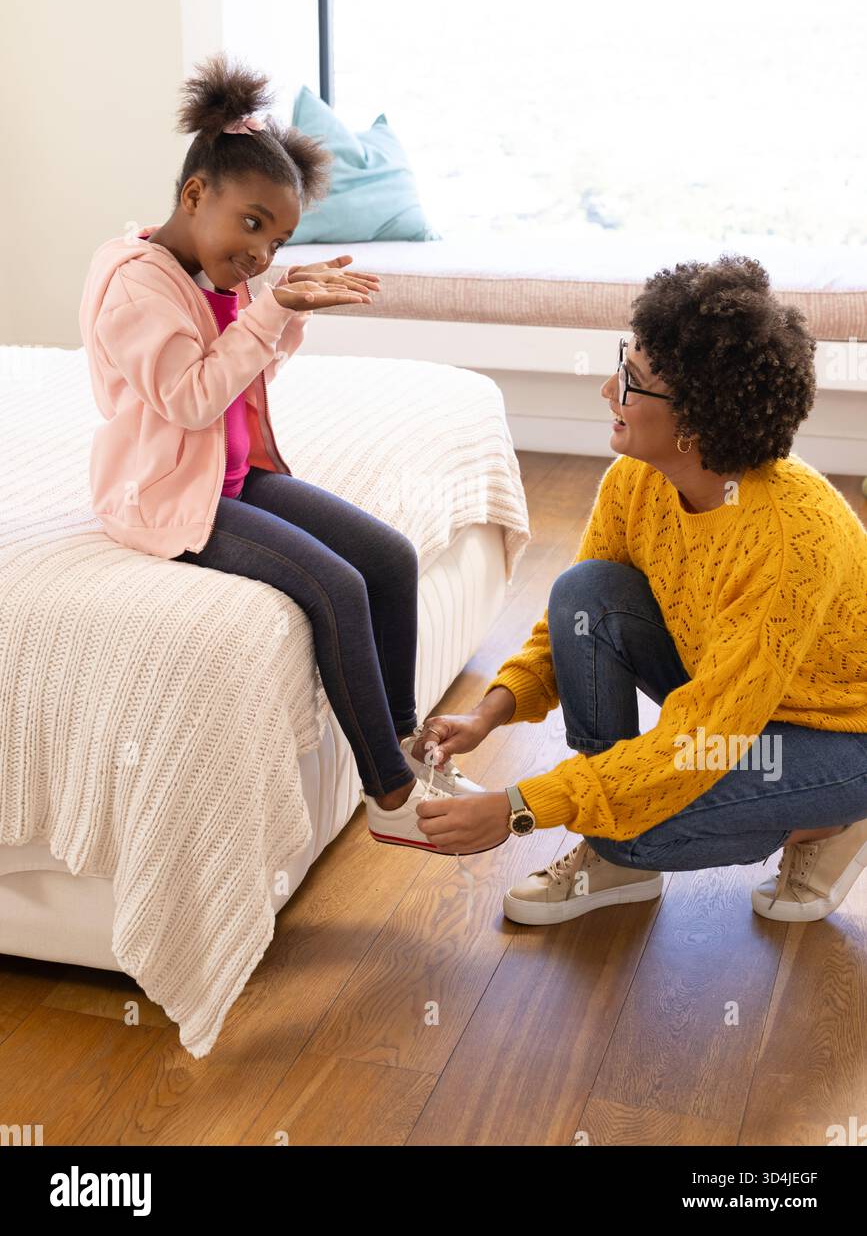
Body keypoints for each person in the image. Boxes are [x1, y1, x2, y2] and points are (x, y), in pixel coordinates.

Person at [78, 49, 490, 852]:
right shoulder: (137, 283)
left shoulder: (213, 270)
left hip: (232, 477)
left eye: (280, 238)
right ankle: (390, 793)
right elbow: (191, 396)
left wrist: (283, 308)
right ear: (195, 195)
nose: (262, 253)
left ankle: (404, 741)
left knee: (390, 557)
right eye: (253, 226)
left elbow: (246, 373)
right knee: (335, 587)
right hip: (166, 497)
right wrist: (270, 313)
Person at [413, 254, 867, 924]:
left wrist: (518, 808)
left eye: (631, 379)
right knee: (585, 592)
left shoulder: (788, 538)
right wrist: (490, 713)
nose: (606, 390)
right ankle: (613, 855)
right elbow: (567, 626)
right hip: (734, 700)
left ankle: (830, 820)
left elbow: (703, 736)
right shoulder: (638, 479)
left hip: (838, 735)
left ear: (697, 420)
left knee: (635, 829)